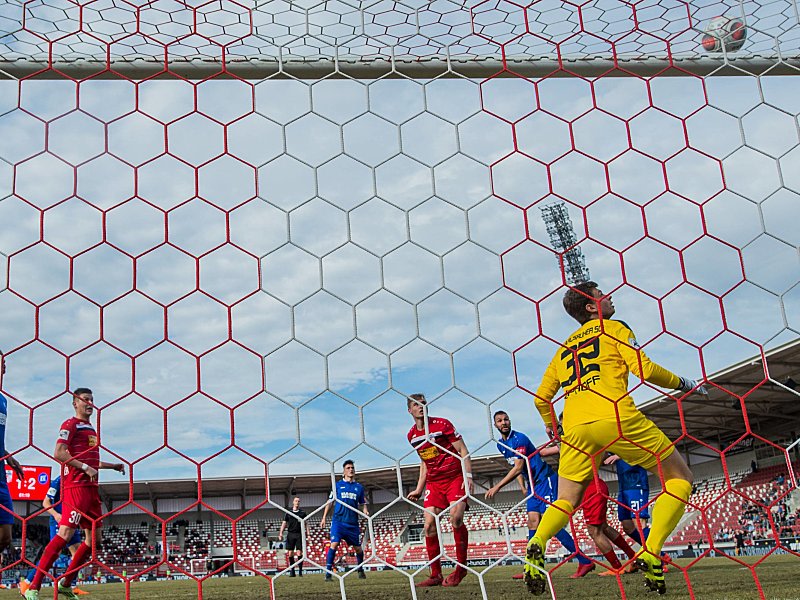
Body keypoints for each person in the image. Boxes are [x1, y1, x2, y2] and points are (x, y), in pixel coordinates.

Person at [523, 282, 705, 596]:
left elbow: (541, 398)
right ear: (592, 307)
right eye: (603, 294)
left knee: (566, 499)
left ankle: (537, 541)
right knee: (681, 478)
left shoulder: (563, 347)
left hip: (576, 428)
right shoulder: (614, 328)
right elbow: (644, 369)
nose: (610, 297)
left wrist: (551, 426)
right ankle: (652, 550)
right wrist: (685, 383)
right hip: (616, 417)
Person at [24, 388, 125, 600]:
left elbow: (91, 462)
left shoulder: (90, 428)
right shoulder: (69, 424)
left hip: (92, 490)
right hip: (76, 487)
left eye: (92, 400)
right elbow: (59, 453)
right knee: (65, 535)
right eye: (85, 399)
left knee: (94, 540)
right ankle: (33, 587)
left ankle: (66, 584)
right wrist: (85, 469)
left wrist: (112, 466)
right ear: (75, 403)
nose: (90, 403)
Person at [485, 411, 594, 578]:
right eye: (499, 421)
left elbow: (519, 467)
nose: (504, 422)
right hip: (532, 486)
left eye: (506, 419)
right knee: (532, 522)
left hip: (545, 480)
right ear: (495, 425)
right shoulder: (501, 444)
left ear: (510, 421)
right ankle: (532, 566)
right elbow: (516, 466)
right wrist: (523, 486)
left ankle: (584, 561)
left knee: (551, 523)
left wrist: (497, 487)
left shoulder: (519, 438)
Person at [407, 394, 471, 588]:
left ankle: (461, 568)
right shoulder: (412, 436)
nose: (421, 407)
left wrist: (468, 478)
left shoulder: (442, 424)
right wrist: (419, 488)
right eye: (417, 405)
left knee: (456, 517)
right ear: (409, 410)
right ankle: (435, 574)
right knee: (428, 526)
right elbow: (424, 462)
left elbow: (463, 451)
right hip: (434, 483)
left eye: (424, 404)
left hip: (454, 477)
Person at [19, 475, 89, 596]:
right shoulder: (59, 481)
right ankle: (27, 581)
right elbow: (46, 502)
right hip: (60, 521)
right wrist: (56, 515)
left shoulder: (77, 478)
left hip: (71, 518)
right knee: (54, 554)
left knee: (78, 553)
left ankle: (71, 585)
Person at [577, 477, 637, 577]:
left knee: (594, 531)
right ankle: (633, 557)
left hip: (590, 489)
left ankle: (617, 567)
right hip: (596, 485)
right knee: (604, 526)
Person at [320, 460, 368, 581]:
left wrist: (365, 510)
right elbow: (330, 502)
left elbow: (362, 502)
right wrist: (324, 517)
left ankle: (360, 569)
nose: (351, 469)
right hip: (338, 521)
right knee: (334, 544)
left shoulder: (359, 487)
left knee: (358, 549)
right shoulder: (338, 485)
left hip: (352, 523)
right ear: (344, 471)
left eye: (352, 467)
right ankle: (328, 573)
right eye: (348, 468)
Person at [0, 353, 26, 559]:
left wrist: (7, 455)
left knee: (5, 537)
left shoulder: (3, 400)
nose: (4, 367)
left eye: (5, 363)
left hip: (0, 474)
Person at [277, 497, 308, 577]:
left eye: (298, 501)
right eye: (296, 501)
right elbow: (284, 523)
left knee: (299, 552)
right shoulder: (288, 513)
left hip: (299, 534)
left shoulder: (302, 513)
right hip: (290, 534)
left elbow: (306, 524)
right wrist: (280, 533)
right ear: (293, 502)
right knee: (290, 553)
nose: (297, 502)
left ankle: (300, 571)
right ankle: (292, 570)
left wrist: (308, 533)